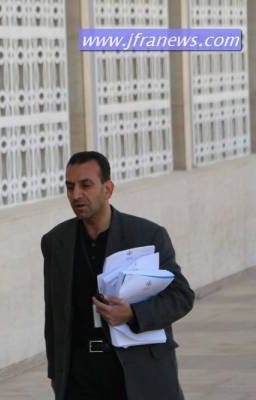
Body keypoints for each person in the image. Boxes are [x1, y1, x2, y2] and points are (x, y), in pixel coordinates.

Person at [42, 151, 194, 400]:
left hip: (136, 375)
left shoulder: (147, 235)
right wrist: (56, 374)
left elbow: (181, 296)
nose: (76, 194)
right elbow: (54, 314)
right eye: (70, 187)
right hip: (80, 377)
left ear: (108, 189)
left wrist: (133, 313)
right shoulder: (56, 242)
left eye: (86, 185)